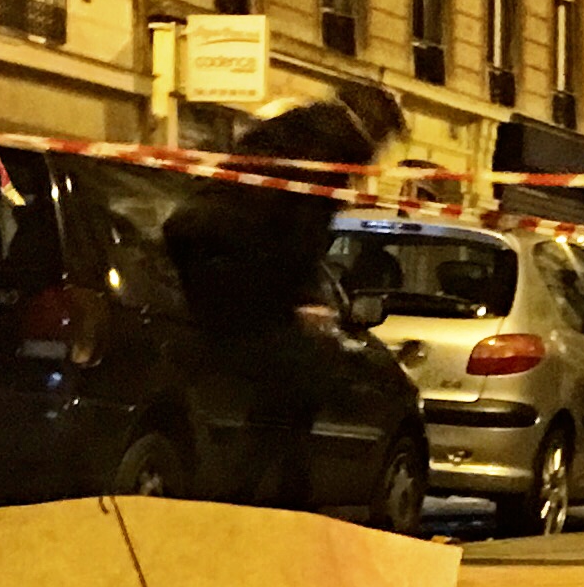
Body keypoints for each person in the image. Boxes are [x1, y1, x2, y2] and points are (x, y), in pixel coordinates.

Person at [163, 78, 407, 510]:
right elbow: (297, 228)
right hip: (233, 262)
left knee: (290, 382)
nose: (381, 154)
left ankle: (281, 495)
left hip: (207, 248)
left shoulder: (303, 128)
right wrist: (303, 298)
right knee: (295, 379)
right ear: (373, 127)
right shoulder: (328, 149)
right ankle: (245, 499)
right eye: (385, 141)